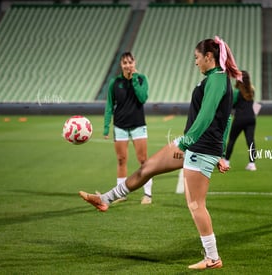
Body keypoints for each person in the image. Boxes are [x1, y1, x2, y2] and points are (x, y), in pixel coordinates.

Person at [80, 36, 242, 270]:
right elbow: (224, 118)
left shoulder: (217, 79)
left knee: (196, 205)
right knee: (147, 168)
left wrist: (194, 145)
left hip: (199, 147)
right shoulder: (215, 79)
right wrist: (218, 151)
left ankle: (213, 257)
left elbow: (208, 116)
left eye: (197, 58)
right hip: (196, 144)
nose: (195, 62)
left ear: (209, 57)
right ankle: (105, 200)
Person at [103, 52, 153, 205]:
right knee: (121, 160)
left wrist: (134, 81)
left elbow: (143, 98)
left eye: (130, 62)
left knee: (143, 160)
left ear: (134, 63)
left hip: (138, 125)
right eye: (125, 63)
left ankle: (148, 194)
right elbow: (110, 105)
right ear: (121, 65)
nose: (128, 65)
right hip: (120, 126)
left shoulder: (141, 79)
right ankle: (120, 194)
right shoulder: (114, 82)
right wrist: (106, 127)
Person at [224, 70, 258, 171]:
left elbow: (231, 105)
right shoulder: (252, 90)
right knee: (250, 141)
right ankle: (252, 164)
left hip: (239, 119)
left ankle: (226, 161)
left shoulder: (236, 92)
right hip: (251, 119)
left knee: (232, 140)